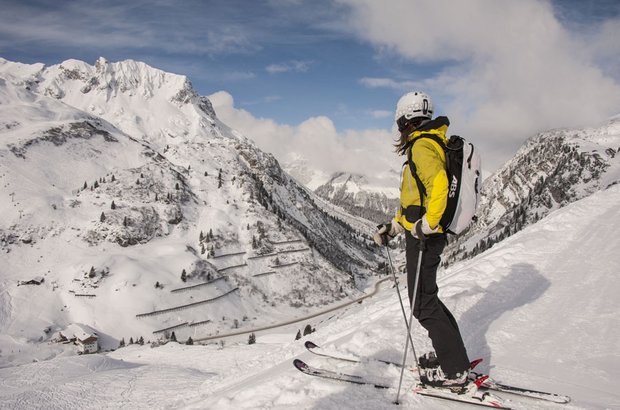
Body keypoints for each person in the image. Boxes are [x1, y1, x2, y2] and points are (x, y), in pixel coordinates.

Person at [373, 91, 471, 391]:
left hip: (426, 237)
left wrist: (427, 226)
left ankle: (454, 372)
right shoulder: (431, 140)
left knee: (423, 305)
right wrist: (393, 226)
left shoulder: (422, 146)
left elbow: (438, 184)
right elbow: (416, 198)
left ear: (404, 119)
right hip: (423, 233)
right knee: (427, 299)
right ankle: (454, 360)